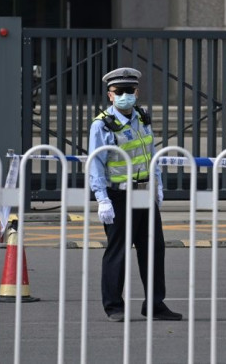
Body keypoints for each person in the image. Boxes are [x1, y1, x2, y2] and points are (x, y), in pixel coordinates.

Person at [88, 67, 182, 322]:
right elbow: (96, 163)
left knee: (153, 249)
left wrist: (158, 185)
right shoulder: (102, 124)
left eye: (129, 91)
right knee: (118, 251)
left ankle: (155, 303)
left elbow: (151, 154)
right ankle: (113, 306)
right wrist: (102, 199)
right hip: (118, 196)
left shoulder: (142, 117)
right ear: (110, 95)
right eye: (119, 92)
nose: (125, 96)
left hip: (144, 192)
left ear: (137, 92)